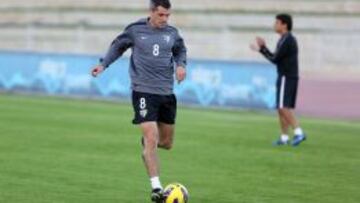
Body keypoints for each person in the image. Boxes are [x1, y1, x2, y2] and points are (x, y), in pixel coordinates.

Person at [90, 0, 187, 202]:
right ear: (151, 12)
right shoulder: (135, 30)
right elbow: (118, 47)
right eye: (161, 15)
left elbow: (180, 50)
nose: (165, 19)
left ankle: (147, 144)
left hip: (166, 92)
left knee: (167, 143)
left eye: (168, 15)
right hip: (142, 91)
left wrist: (181, 66)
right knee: (152, 137)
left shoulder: (172, 33)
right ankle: (156, 188)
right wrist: (103, 65)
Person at [251, 13, 306, 146]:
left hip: (287, 76)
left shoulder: (288, 40)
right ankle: (284, 138)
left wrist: (260, 50)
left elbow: (274, 59)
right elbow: (275, 57)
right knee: (281, 108)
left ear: (284, 25)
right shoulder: (284, 39)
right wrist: (263, 48)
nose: (274, 25)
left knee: (283, 107)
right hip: (286, 76)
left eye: (277, 23)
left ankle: (299, 132)